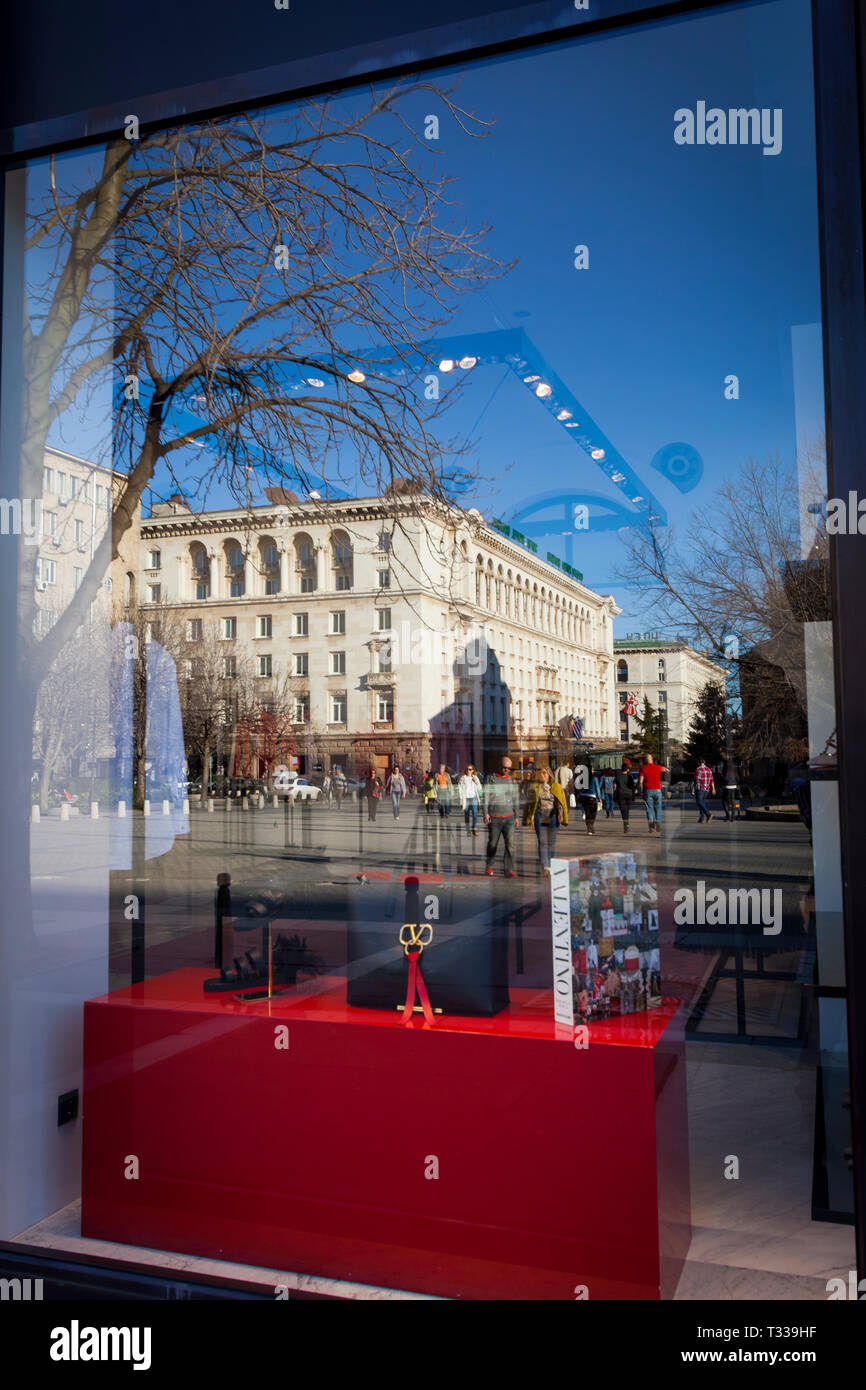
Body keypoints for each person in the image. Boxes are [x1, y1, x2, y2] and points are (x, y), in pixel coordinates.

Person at [523, 766, 568, 871]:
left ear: (549, 775)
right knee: (542, 842)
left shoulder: (556, 787)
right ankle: (545, 866)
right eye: (541, 773)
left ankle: (550, 864)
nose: (542, 775)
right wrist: (531, 819)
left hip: (552, 815)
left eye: (545, 773)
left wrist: (560, 813)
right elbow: (531, 804)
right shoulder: (535, 787)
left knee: (551, 843)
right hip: (540, 815)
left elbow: (560, 802)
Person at [483, 755, 521, 877]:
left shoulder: (512, 780)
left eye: (509, 768)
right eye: (504, 767)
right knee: (492, 844)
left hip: (509, 817)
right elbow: (486, 798)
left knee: (510, 845)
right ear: (500, 766)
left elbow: (516, 799)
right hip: (494, 817)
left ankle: (509, 869)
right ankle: (489, 865)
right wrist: (485, 813)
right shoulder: (491, 779)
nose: (506, 770)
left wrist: (516, 816)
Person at [638, 754, 668, 833]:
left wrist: (638, 787)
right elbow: (664, 769)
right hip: (657, 790)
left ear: (645, 760)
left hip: (648, 790)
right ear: (652, 760)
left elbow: (640, 781)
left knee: (649, 809)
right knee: (658, 808)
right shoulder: (657, 767)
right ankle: (658, 824)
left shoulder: (643, 768)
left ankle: (651, 827)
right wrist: (666, 770)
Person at [578, 765, 604, 835]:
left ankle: (589, 828)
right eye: (592, 770)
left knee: (587, 813)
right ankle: (591, 826)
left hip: (584, 797)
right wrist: (600, 798)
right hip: (592, 797)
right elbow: (597, 789)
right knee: (593, 813)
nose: (593, 771)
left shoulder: (582, 779)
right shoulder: (594, 779)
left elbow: (579, 789)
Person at [458, 765, 482, 835]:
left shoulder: (475, 778)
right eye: (467, 769)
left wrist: (476, 782)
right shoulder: (463, 778)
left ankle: (474, 828)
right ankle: (468, 830)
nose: (468, 770)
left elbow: (480, 788)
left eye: (470, 769)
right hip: (466, 799)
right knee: (467, 815)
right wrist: (461, 800)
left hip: (474, 798)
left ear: (473, 770)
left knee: (475, 813)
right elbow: (460, 789)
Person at [613, 758, 635, 832]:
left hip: (621, 795)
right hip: (629, 795)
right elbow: (632, 787)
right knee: (627, 810)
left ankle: (626, 825)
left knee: (623, 811)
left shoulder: (618, 776)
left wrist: (614, 795)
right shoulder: (630, 777)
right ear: (627, 769)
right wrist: (633, 796)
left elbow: (615, 786)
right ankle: (627, 825)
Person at [693, 759, 715, 823]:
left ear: (699, 763)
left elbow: (696, 780)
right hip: (707, 789)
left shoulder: (698, 769)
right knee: (702, 803)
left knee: (699, 802)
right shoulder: (709, 770)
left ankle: (708, 814)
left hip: (700, 788)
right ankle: (701, 818)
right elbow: (712, 780)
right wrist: (713, 789)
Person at [722, 758, 740, 822]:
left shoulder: (726, 769)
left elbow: (725, 778)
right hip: (734, 787)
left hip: (727, 787)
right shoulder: (734, 769)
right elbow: (738, 779)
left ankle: (727, 816)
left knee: (724, 802)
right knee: (732, 802)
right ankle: (733, 817)